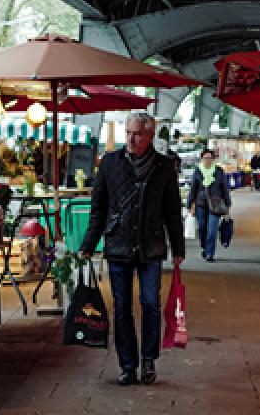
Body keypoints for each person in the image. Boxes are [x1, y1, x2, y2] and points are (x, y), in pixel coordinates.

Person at [79, 112, 185, 386]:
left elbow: (173, 212)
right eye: (128, 132)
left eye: (137, 133)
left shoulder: (164, 167)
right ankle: (127, 365)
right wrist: (88, 244)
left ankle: (149, 361)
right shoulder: (110, 163)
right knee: (122, 308)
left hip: (151, 244)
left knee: (150, 303)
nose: (131, 138)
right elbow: (98, 208)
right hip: (118, 243)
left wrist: (178, 248)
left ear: (150, 135)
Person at [185, 149, 232, 262]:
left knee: (212, 230)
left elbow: (225, 188)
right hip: (201, 204)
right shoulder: (197, 171)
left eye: (210, 158)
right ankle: (204, 247)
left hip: (216, 205)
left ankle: (210, 253)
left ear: (213, 159)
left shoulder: (219, 171)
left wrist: (227, 204)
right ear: (202, 159)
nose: (207, 160)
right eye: (205, 158)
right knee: (202, 228)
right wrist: (190, 204)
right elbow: (193, 189)